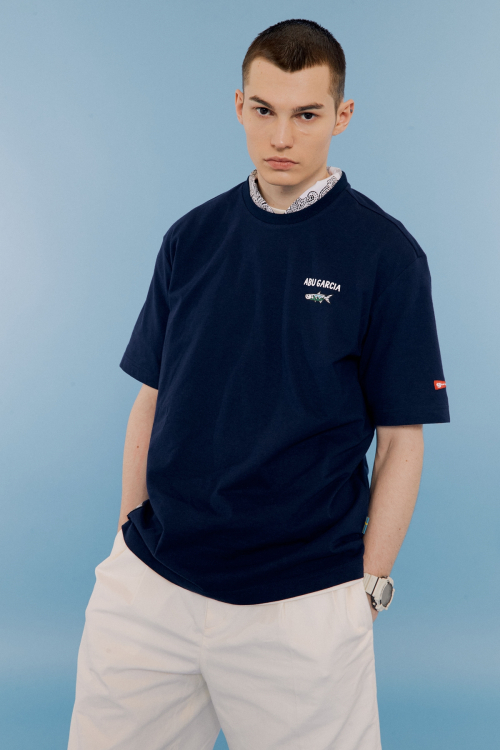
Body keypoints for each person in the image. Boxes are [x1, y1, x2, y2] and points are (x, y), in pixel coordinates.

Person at [68, 18, 450, 750]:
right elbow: (152, 398)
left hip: (301, 605)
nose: (281, 136)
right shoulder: (191, 238)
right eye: (265, 110)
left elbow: (402, 439)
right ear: (239, 105)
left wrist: (368, 589)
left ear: (341, 115)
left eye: (306, 115)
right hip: (151, 591)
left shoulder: (386, 255)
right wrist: (126, 532)